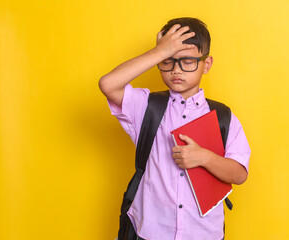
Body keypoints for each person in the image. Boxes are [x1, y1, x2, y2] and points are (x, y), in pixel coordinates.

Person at [99, 17, 251, 240]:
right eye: (168, 61)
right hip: (150, 232)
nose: (176, 70)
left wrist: (204, 157)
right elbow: (108, 84)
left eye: (188, 61)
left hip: (203, 234)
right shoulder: (146, 107)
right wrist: (159, 52)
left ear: (206, 64)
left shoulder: (222, 117)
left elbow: (239, 174)